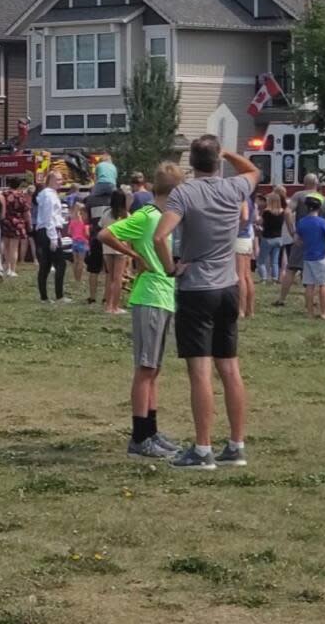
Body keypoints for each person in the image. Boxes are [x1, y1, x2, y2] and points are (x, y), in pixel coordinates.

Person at [154, 135, 260, 470]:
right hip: (228, 284)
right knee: (229, 367)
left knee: (200, 370)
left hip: (197, 287)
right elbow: (254, 170)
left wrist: (172, 267)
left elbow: (160, 236)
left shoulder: (185, 193)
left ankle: (202, 449)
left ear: (192, 163)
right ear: (217, 161)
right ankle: (236, 445)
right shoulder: (233, 189)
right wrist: (229, 152)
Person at [100, 163, 184, 460]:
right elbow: (106, 234)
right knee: (145, 369)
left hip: (163, 297)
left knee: (154, 369)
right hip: (149, 296)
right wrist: (134, 255)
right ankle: (139, 436)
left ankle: (152, 430)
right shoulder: (147, 217)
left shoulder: (162, 219)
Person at [274, 174, 325, 307]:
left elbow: (287, 212)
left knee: (292, 268)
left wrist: (292, 232)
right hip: (318, 242)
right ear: (317, 183)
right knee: (317, 273)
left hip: (302, 238)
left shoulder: (299, 195)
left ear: (304, 183)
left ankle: (282, 299)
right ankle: (314, 300)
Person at [35, 171, 70, 303]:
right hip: (49, 231)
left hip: (48, 230)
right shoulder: (49, 196)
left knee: (46, 264)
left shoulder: (49, 195)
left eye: (61, 180)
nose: (60, 182)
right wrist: (53, 237)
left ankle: (45, 296)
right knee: (59, 263)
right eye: (58, 180)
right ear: (50, 180)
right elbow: (49, 217)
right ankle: (58, 295)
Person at [296, 197, 325, 320]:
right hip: (321, 256)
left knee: (309, 285)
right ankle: (324, 312)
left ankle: (310, 313)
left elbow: (297, 240)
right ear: (319, 208)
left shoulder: (301, 222)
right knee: (323, 284)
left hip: (308, 256)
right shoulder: (324, 223)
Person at [83, 177, 115, 304]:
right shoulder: (113, 200)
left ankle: (92, 297)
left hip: (95, 237)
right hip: (110, 237)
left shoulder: (90, 200)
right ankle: (106, 297)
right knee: (109, 270)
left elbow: (87, 220)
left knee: (93, 269)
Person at [100, 189, 130, 314]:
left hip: (107, 247)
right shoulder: (126, 215)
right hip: (120, 247)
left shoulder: (106, 213)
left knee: (110, 277)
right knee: (118, 278)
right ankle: (115, 306)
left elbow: (101, 226)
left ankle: (108, 305)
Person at [1, 177, 31, 277]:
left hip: (5, 222)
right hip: (17, 223)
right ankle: (13, 270)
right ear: (19, 185)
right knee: (14, 248)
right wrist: (29, 224)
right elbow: (26, 211)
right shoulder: (20, 196)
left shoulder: (4, 194)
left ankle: (7, 268)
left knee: (6, 246)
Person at [257, 191, 284, 283]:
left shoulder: (266, 212)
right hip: (278, 238)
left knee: (261, 260)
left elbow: (260, 222)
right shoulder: (282, 212)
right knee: (275, 261)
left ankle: (264, 278)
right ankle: (275, 279)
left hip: (267, 238)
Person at [235, 197, 255, 318]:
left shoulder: (242, 199)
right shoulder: (250, 200)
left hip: (239, 238)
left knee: (240, 276)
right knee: (247, 276)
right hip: (247, 238)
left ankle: (241, 309)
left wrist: (234, 230)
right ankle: (250, 310)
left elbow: (244, 217)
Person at [68, 202, 90, 282]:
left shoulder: (73, 221)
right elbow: (87, 233)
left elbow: (69, 232)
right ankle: (79, 279)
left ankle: (75, 277)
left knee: (75, 261)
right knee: (81, 261)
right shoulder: (84, 221)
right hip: (82, 242)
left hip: (74, 242)